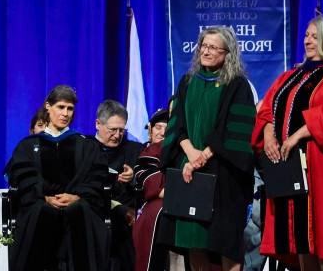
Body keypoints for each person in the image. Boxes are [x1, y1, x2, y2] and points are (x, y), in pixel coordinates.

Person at [252, 14, 323, 271]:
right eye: (307, 35)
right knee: (300, 242)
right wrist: (269, 132)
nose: (308, 40)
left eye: (316, 36)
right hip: (290, 168)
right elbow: (267, 108)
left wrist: (301, 132)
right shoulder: (289, 76)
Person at [159, 26, 257, 271]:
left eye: (213, 47)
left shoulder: (237, 85)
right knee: (193, 240)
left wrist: (205, 155)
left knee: (225, 242)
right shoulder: (188, 81)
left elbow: (237, 132)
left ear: (227, 53)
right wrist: (191, 153)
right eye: (203, 45)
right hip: (189, 170)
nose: (206, 51)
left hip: (224, 174)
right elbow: (176, 123)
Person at [5, 85, 110, 271]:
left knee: (81, 211)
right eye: (60, 107)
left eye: (70, 108)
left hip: (78, 204)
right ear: (48, 106)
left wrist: (77, 196)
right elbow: (22, 177)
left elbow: (97, 177)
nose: (65, 113)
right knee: (40, 212)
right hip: (40, 203)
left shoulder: (85, 145)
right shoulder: (28, 146)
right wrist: (44, 196)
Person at [93, 100, 143, 271]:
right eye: (112, 130)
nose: (117, 135)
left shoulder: (135, 150)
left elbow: (145, 181)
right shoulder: (85, 148)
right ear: (98, 124)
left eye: (122, 130)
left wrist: (133, 178)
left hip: (130, 211)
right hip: (95, 209)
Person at [132, 109, 171, 271]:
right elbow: (153, 185)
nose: (162, 133)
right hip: (141, 208)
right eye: (158, 127)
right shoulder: (137, 151)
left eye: (167, 129)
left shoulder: (176, 151)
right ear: (150, 130)